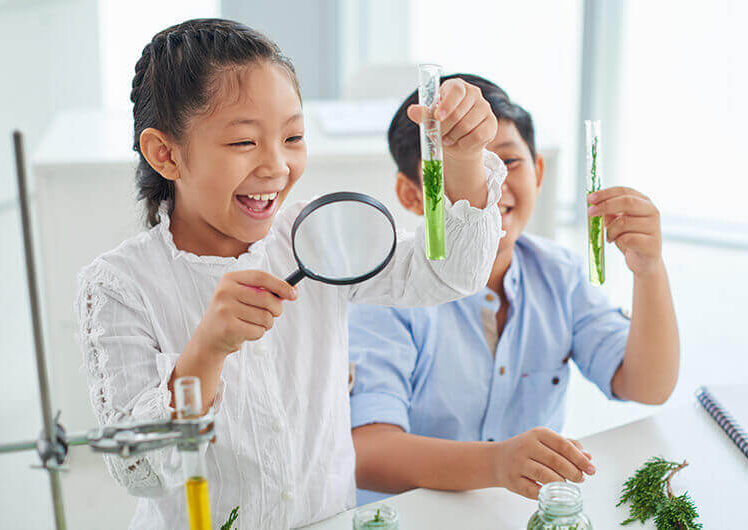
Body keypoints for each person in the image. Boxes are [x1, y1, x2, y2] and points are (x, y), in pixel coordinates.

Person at [75, 21, 506, 528]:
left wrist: (463, 157)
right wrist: (207, 350)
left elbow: (451, 274)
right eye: (243, 143)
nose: (277, 166)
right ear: (165, 153)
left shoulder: (317, 235)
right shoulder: (118, 286)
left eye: (293, 137)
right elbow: (141, 472)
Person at [349, 74, 680, 504]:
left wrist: (649, 269)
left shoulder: (559, 274)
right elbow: (368, 452)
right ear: (412, 195)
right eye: (462, 165)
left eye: (508, 161)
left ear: (539, 171)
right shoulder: (389, 290)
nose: (493, 186)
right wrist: (495, 464)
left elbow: (647, 386)